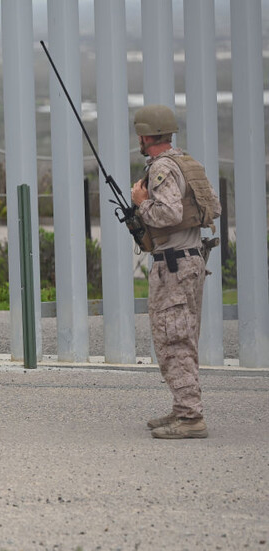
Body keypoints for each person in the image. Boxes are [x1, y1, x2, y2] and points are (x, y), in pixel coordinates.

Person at [130, 104, 221, 439]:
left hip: (173, 265)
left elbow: (167, 213)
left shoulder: (162, 169)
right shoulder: (188, 163)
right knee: (182, 335)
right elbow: (215, 206)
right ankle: (182, 407)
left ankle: (190, 417)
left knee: (174, 339)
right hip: (192, 259)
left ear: (145, 135)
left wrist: (141, 202)